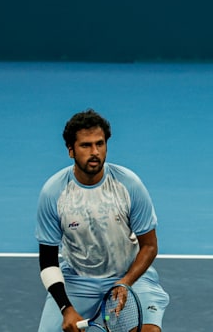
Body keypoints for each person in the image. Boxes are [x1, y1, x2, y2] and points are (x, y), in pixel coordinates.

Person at [36, 109, 170, 332]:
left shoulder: (129, 185)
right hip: (78, 281)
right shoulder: (54, 193)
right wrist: (65, 308)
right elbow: (48, 261)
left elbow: (149, 246)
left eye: (100, 144)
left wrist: (125, 282)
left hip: (129, 275)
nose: (95, 152)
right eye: (86, 146)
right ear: (71, 151)